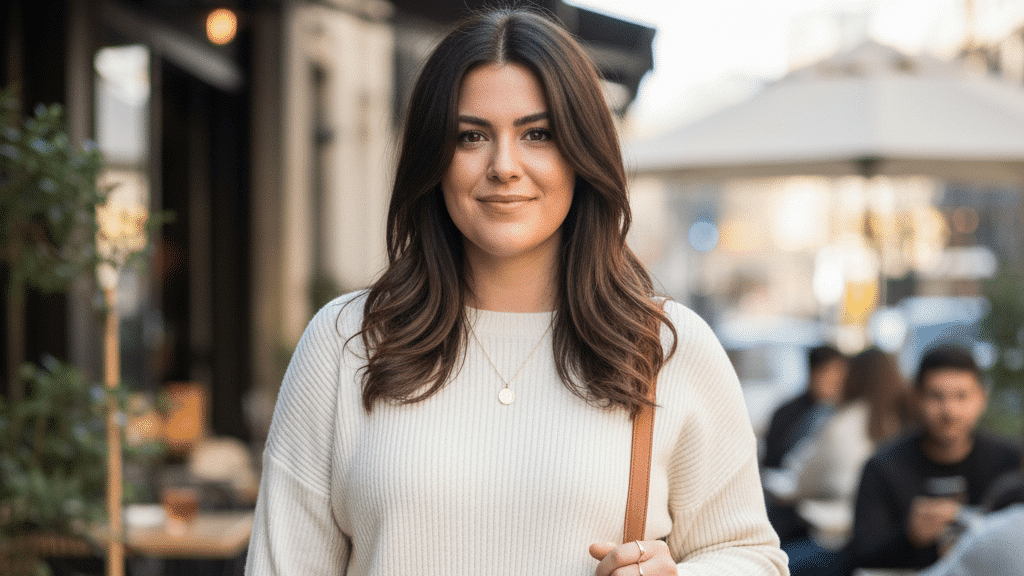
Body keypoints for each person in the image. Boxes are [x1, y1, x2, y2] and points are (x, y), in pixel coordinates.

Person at [245, 7, 787, 576]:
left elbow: (752, 557)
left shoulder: (666, 347)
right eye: (471, 136)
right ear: (434, 157)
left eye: (538, 134)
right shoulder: (346, 342)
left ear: (582, 153)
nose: (504, 166)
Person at [848, 345, 1022, 572]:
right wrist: (910, 536)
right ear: (916, 397)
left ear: (981, 398)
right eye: (936, 396)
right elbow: (860, 554)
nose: (949, 411)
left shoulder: (1009, 461)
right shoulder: (883, 467)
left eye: (962, 396)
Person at [780, 347, 907, 576]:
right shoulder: (907, 423)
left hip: (848, 542)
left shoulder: (844, 422)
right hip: (892, 541)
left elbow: (804, 483)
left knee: (779, 561)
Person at [761, 345, 847, 544]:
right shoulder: (787, 413)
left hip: (825, 502)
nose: (835, 382)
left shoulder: (844, 414)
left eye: (840, 376)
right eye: (829, 374)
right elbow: (772, 459)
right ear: (813, 373)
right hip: (786, 500)